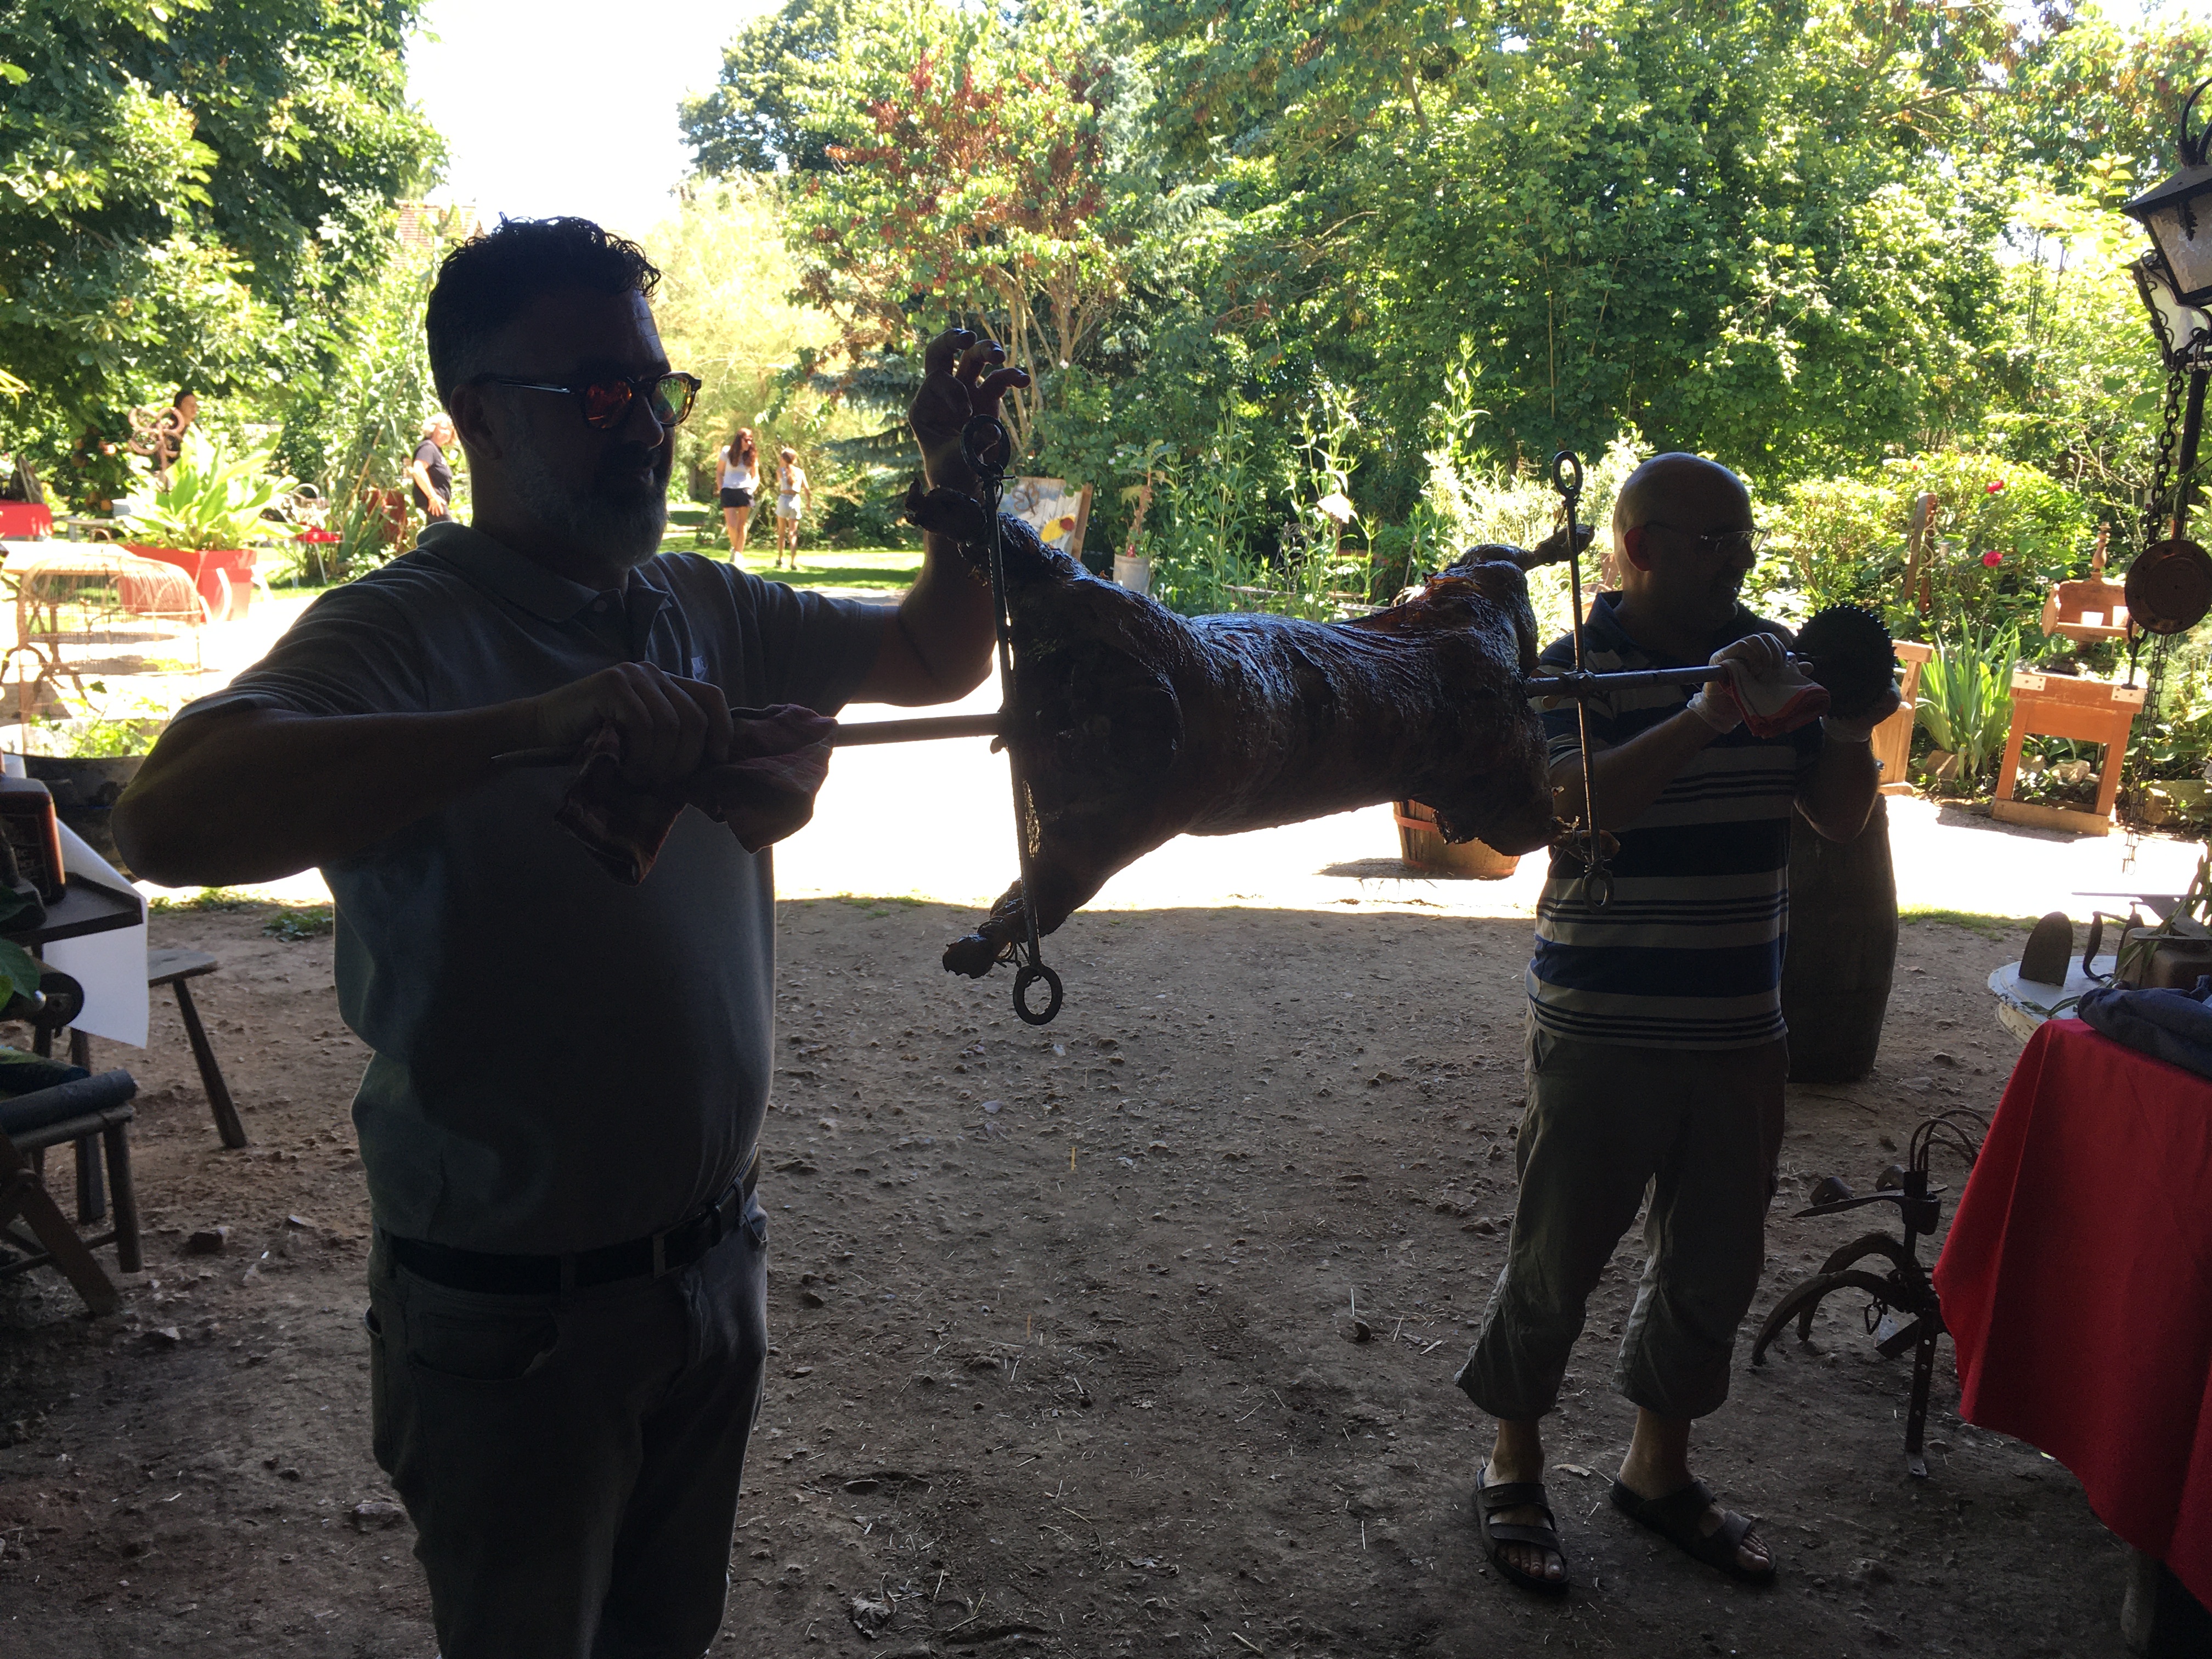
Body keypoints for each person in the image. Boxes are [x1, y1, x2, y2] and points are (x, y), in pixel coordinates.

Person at [111, 216, 1025, 1658]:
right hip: (510, 1330)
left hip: (715, 1273)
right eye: (598, 395)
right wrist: (531, 728)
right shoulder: (402, 633)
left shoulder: (700, 603)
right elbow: (164, 820)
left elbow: (936, 656)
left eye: (656, 391)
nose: (646, 429)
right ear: (476, 415)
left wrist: (958, 479)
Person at [1459, 453, 1897, 1596]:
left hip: (1742, 1024)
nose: (1737, 562)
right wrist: (1707, 714)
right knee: (1556, 1259)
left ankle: (1656, 1471)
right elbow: (1568, 809)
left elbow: (1836, 817)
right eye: (1713, 542)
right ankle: (1513, 1463)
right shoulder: (1571, 669)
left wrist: (1848, 725)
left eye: (1744, 540)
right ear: (1641, 547)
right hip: (1602, 1020)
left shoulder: (1770, 654)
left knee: (1713, 1264)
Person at [409, 412, 456, 520]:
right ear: (432, 428)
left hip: (437, 503)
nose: (447, 433)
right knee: (449, 529)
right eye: (443, 428)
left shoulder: (437, 450)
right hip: (435, 503)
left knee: (437, 531)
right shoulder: (428, 447)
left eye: (450, 430)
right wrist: (432, 496)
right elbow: (418, 470)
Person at [719, 427, 759, 556]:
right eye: (746, 440)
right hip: (728, 490)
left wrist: (751, 489)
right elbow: (719, 472)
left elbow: (756, 476)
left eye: (751, 440)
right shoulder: (727, 451)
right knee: (731, 525)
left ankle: (738, 554)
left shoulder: (752, 455)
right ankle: (736, 550)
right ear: (739, 440)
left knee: (743, 524)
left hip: (745, 490)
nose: (749, 443)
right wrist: (721, 489)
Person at [771, 444, 810, 570]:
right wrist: (809, 503)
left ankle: (780, 559)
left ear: (783, 459)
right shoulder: (800, 472)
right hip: (795, 500)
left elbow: (779, 481)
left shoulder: (780, 471)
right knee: (793, 533)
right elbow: (807, 489)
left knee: (781, 533)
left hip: (784, 500)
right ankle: (793, 562)